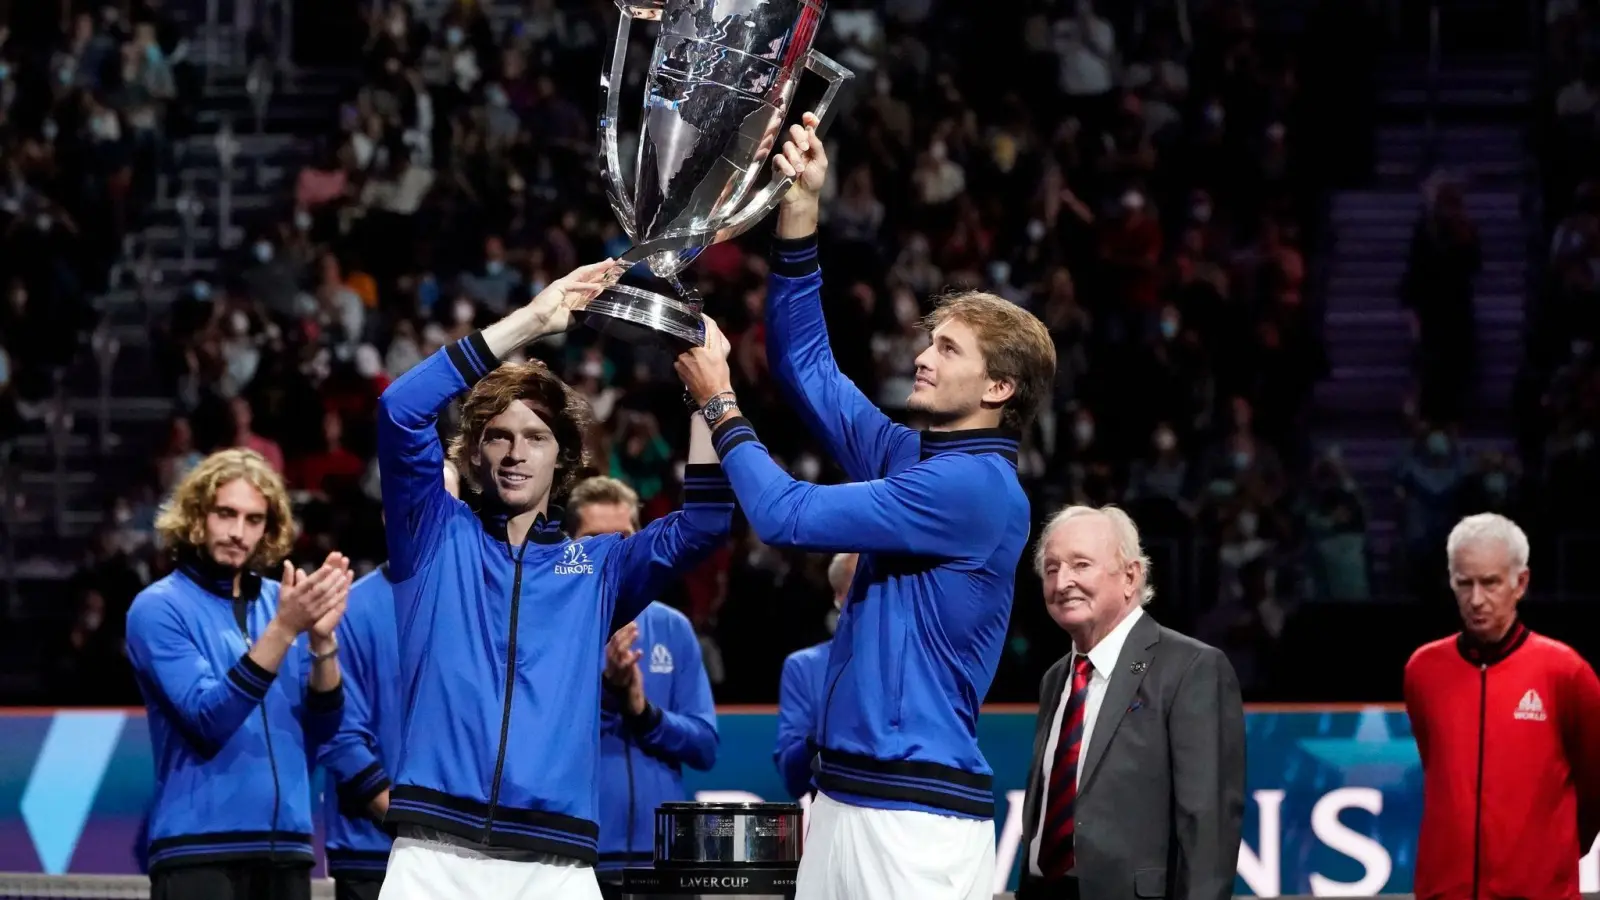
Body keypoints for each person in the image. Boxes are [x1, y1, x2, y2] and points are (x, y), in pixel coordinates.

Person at [672, 114, 1058, 900]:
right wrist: (802, 207)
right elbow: (807, 367)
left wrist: (720, 409)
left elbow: (785, 517)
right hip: (847, 797)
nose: (921, 354)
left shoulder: (974, 490)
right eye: (929, 340)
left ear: (999, 388)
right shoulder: (921, 459)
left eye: (948, 348)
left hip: (911, 818)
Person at [374, 261, 735, 900]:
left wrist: (712, 390)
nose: (516, 453)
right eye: (499, 437)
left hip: (555, 865)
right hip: (431, 856)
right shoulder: (434, 534)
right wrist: (533, 323)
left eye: (536, 438)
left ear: (562, 457)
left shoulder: (596, 568)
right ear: (475, 454)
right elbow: (399, 410)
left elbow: (704, 524)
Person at [125, 449, 354, 900]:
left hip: (287, 851)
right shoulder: (159, 607)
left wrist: (323, 643)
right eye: (225, 514)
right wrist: (286, 628)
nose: (237, 532)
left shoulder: (281, 602)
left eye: (253, 520)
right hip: (199, 855)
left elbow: (326, 728)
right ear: (196, 516)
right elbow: (208, 719)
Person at [1017, 505, 1245, 900]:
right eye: (1052, 569)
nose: (1062, 581)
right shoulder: (1056, 678)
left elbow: (1207, 829)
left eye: (1081, 564)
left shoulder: (1191, 668)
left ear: (1130, 576)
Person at [1405, 513, 1600, 900]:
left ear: (1520, 583)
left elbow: (1594, 784)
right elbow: (1437, 767)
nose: (1477, 599)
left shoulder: (1566, 672)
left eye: (1490, 583)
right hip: (1445, 892)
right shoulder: (1422, 671)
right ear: (1451, 582)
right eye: (1465, 583)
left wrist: (1548, 860)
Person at [316, 463, 463, 900]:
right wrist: (415, 830)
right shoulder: (351, 612)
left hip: (475, 858)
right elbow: (341, 739)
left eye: (440, 500)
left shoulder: (491, 607)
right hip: (375, 857)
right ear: (387, 515)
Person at [568, 476, 719, 898]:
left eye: (623, 538)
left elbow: (705, 746)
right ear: (569, 544)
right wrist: (607, 692)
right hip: (578, 859)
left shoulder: (673, 627)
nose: (611, 551)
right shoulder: (552, 626)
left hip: (665, 861)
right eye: (594, 538)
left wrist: (642, 711)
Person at [774, 552, 858, 800]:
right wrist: (825, 732)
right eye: (861, 584)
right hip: (835, 812)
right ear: (839, 596)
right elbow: (792, 776)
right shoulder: (804, 667)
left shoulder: (913, 664)